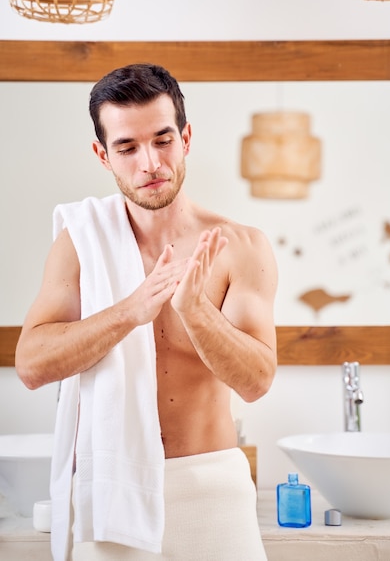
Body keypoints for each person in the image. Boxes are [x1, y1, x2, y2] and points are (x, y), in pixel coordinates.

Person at [15, 63, 278, 561]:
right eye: (128, 147)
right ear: (103, 155)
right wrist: (130, 311)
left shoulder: (240, 247)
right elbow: (31, 364)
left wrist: (197, 313)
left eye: (162, 140)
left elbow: (256, 381)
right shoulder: (80, 243)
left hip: (211, 489)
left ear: (186, 138)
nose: (150, 163)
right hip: (110, 493)